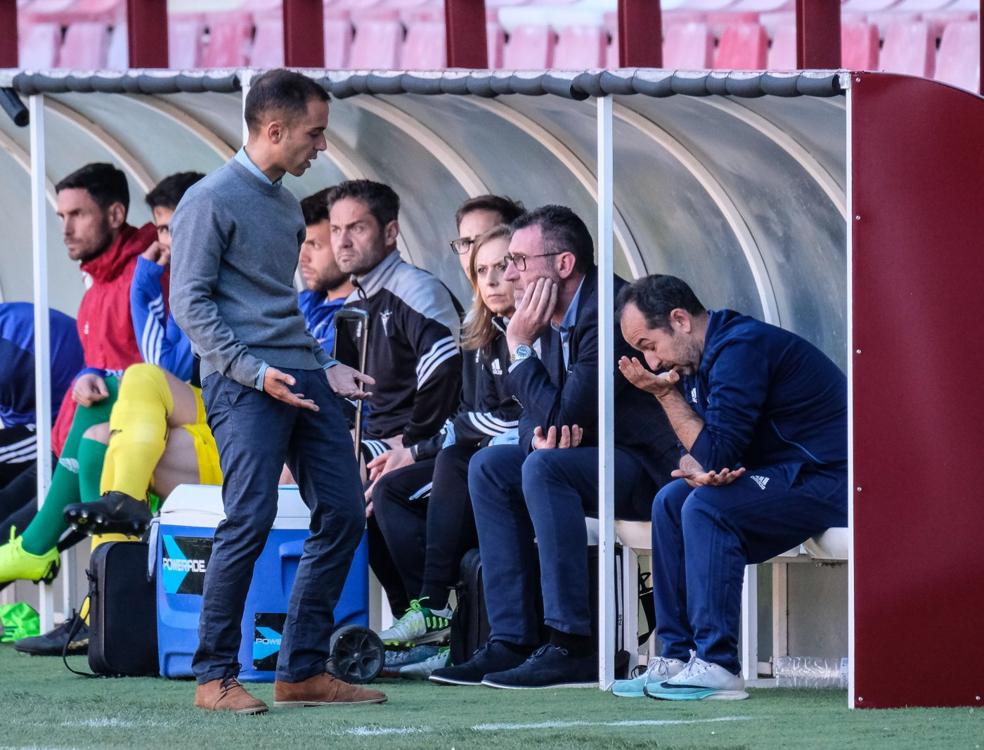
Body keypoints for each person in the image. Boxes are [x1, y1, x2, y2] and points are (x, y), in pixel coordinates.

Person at [171, 69, 385, 714]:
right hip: (244, 386)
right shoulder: (207, 201)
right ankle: (215, 676)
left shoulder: (287, 203)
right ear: (273, 129)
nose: (321, 147)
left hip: (303, 376)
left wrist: (324, 363)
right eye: (314, 134)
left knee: (345, 513)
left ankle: (300, 672)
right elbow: (189, 303)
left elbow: (280, 306)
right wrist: (249, 371)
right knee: (250, 519)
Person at [430, 206, 678, 690]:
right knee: (489, 466)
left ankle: (573, 643)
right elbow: (537, 417)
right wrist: (538, 436)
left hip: (651, 470)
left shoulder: (610, 310)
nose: (509, 273)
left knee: (545, 471)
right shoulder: (549, 310)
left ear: (563, 265)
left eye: (520, 261)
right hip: (593, 458)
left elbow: (566, 413)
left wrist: (520, 344)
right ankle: (513, 639)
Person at [613, 274, 847, 701]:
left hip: (832, 479)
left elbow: (717, 452)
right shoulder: (696, 358)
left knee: (705, 508)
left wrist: (666, 399)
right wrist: (695, 468)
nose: (652, 363)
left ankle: (717, 664)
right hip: (781, 475)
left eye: (649, 345)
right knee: (671, 500)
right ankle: (676, 655)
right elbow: (707, 450)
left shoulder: (740, 348)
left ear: (680, 320)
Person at [371, 225, 522, 678]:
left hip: (519, 461)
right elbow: (469, 414)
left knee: (456, 462)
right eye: (482, 271)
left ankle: (436, 607)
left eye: (502, 267)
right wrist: (416, 450)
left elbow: (518, 416)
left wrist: (431, 443)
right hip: (477, 458)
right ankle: (424, 623)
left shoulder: (535, 329)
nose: (492, 280)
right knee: (385, 490)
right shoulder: (479, 334)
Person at [325, 179, 464, 617]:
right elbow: (351, 398)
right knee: (323, 464)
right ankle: (401, 617)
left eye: (357, 228)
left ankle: (425, 617)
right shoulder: (354, 304)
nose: (343, 241)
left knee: (361, 475)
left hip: (428, 442)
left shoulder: (416, 291)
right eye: (335, 229)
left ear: (389, 232)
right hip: (380, 440)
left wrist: (407, 443)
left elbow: (445, 379)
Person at [0, 303, 84, 541]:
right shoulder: (10, 323)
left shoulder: (11, 343)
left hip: (67, 426)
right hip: (61, 422)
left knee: (10, 513)